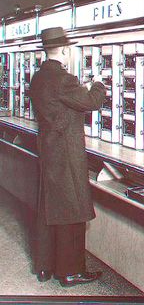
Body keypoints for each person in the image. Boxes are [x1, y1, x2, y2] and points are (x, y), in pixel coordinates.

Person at [29, 27, 106, 287]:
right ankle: (71, 271)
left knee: (49, 208)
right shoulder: (64, 79)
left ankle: (45, 266)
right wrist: (98, 82)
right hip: (66, 152)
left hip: (48, 149)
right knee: (72, 210)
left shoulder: (38, 78)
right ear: (64, 49)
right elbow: (91, 101)